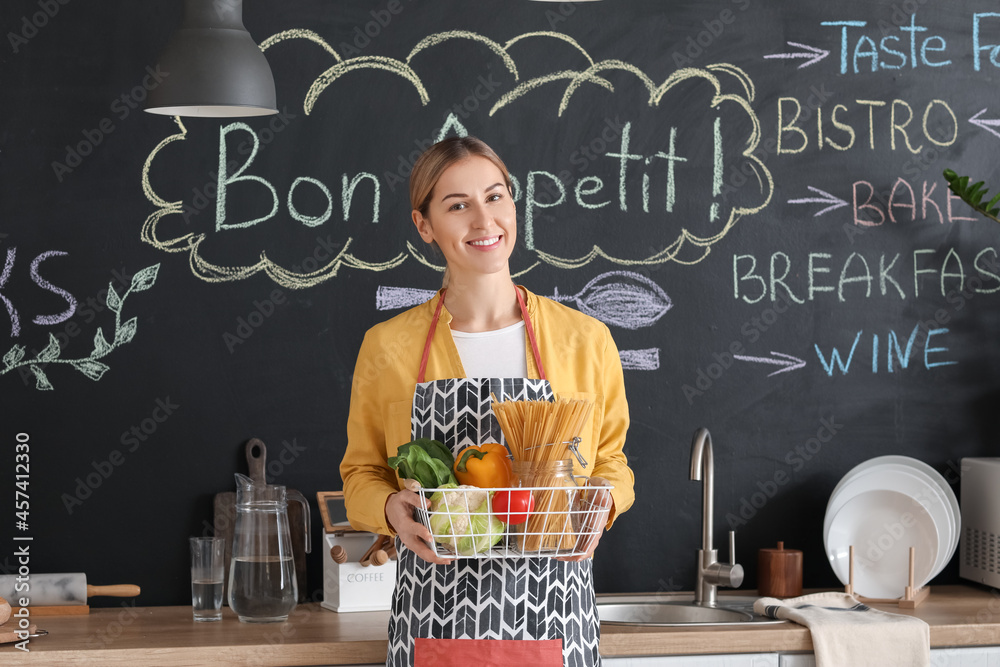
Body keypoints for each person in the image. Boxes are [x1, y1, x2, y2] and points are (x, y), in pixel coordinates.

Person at [340, 136, 634, 666]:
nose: (484, 220)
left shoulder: (584, 340)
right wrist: (388, 509)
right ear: (424, 225)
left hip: (555, 619)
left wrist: (605, 503)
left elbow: (611, 462)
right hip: (435, 619)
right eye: (458, 205)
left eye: (495, 197)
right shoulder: (388, 347)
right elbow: (361, 472)